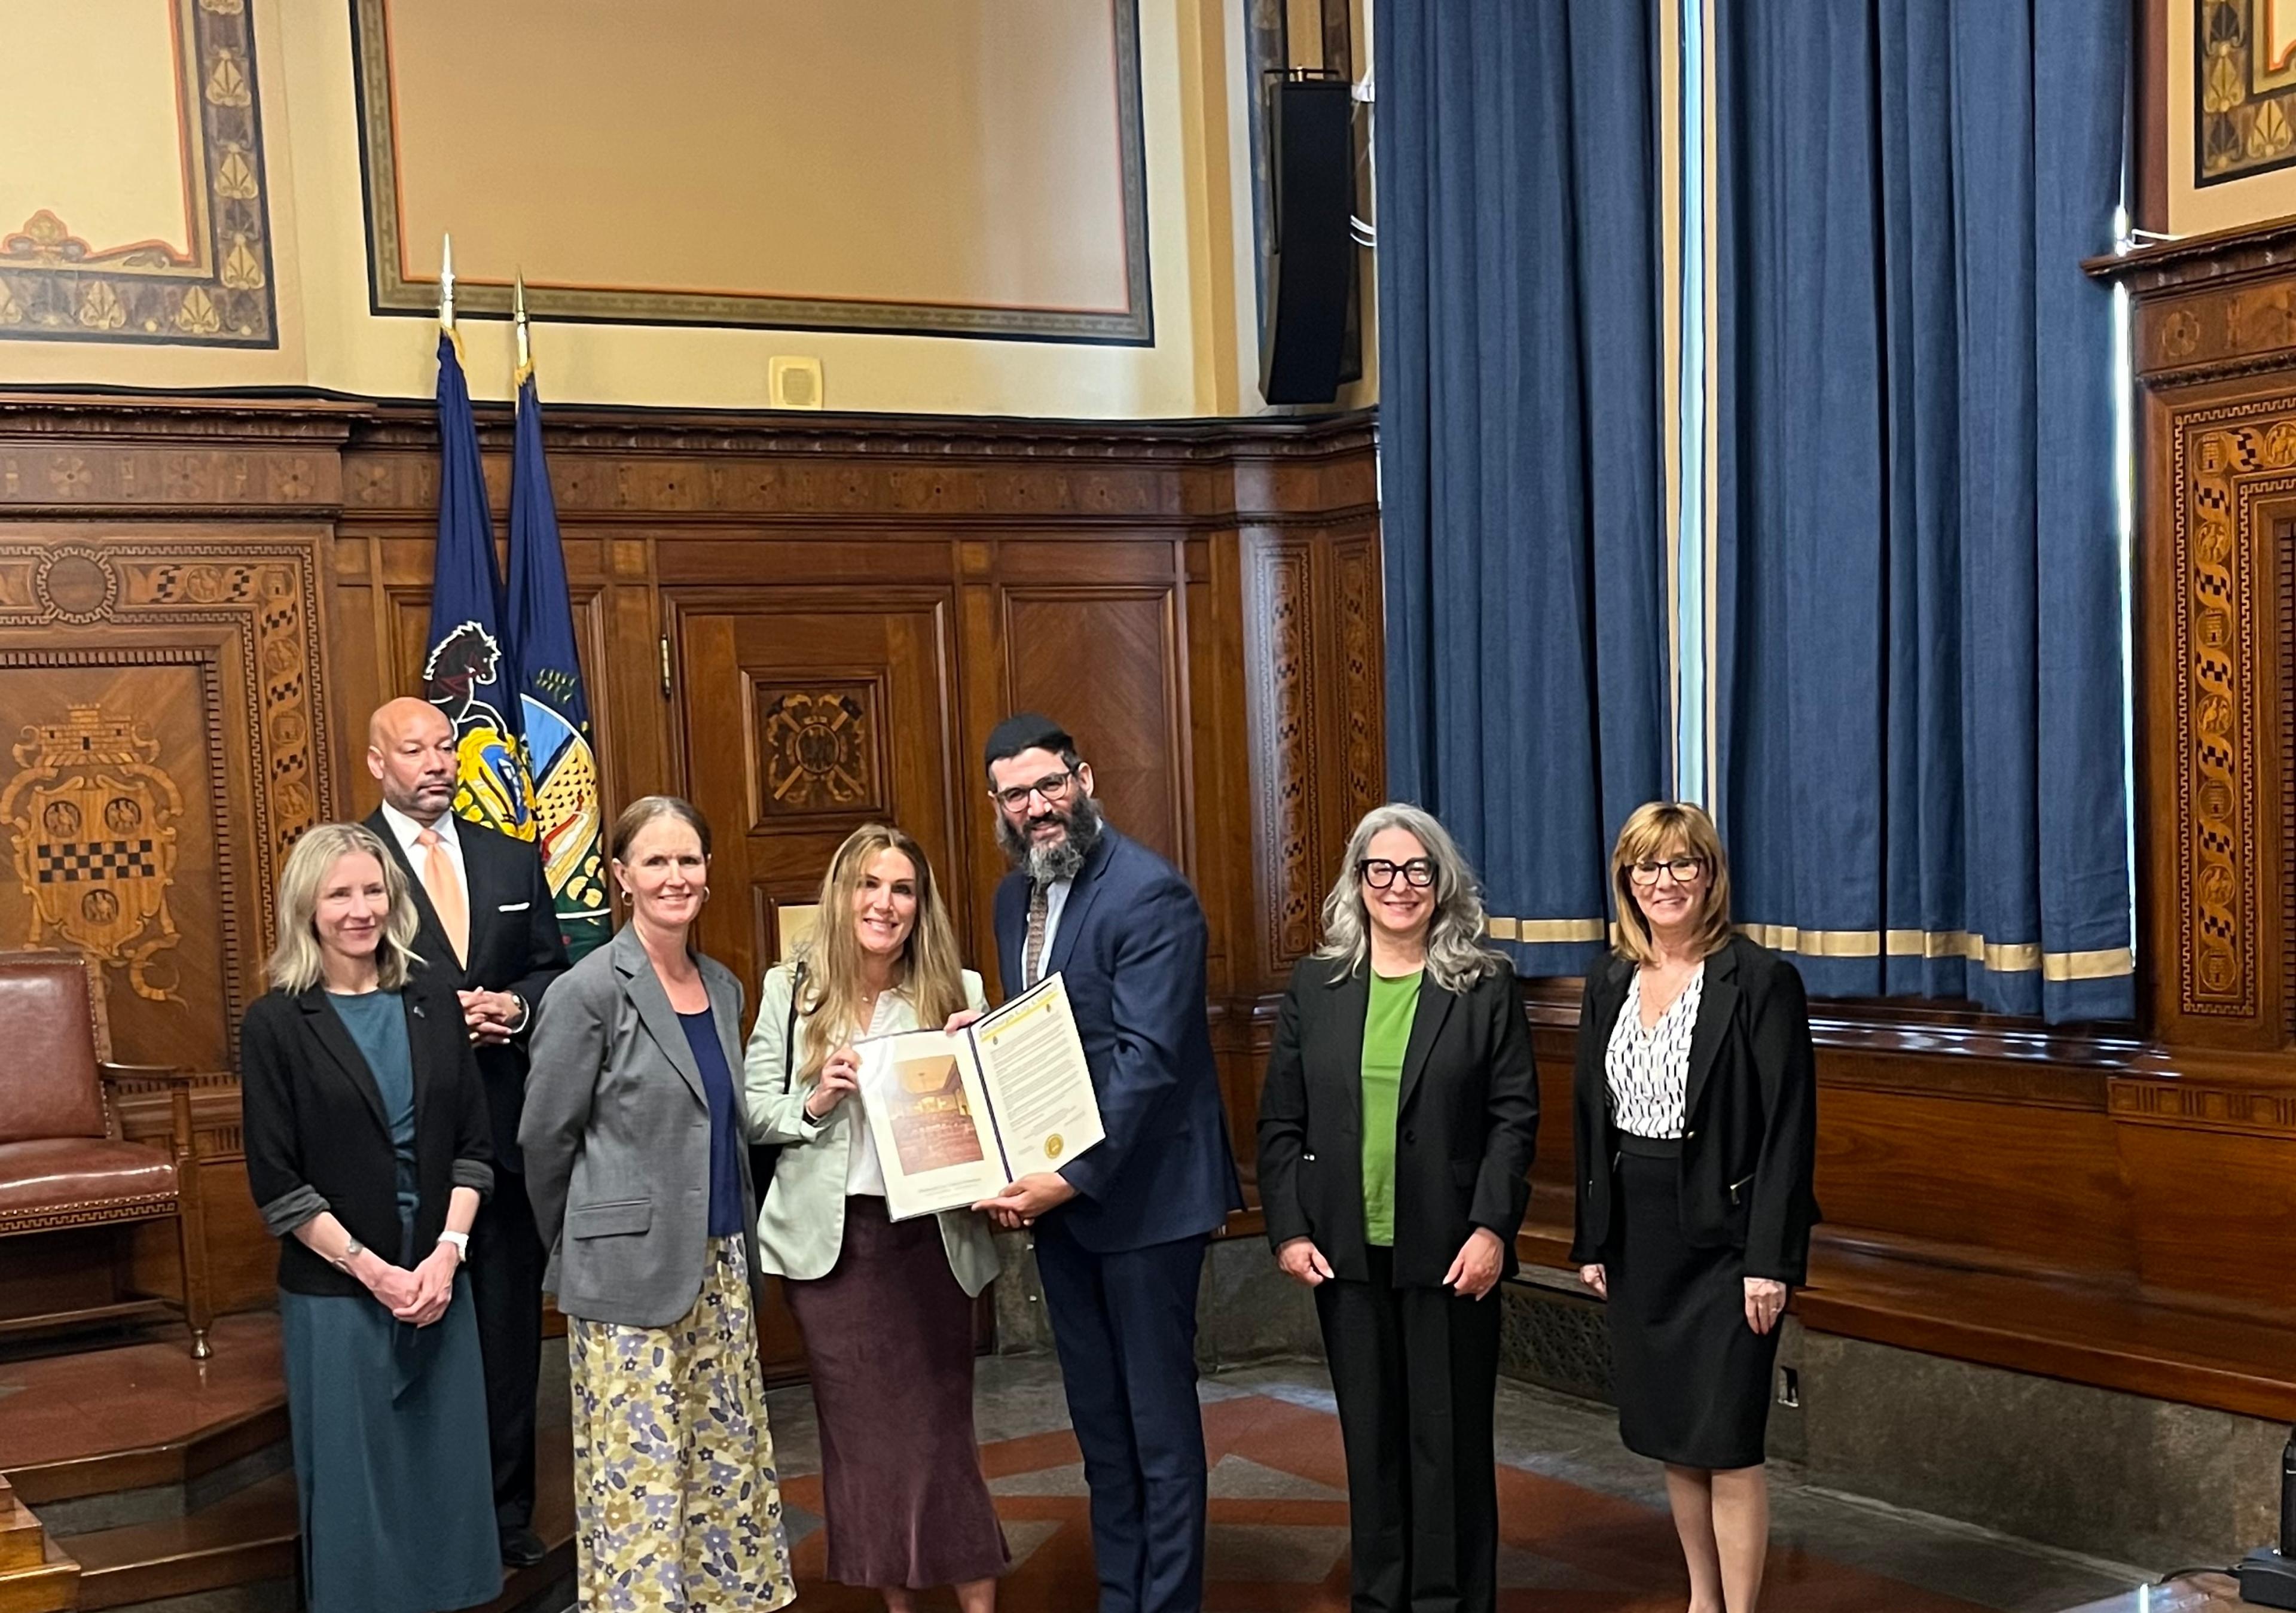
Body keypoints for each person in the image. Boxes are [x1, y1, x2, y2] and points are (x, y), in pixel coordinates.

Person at [960, 713, 1244, 1613]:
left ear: (1083, 778)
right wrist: (981, 1047)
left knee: (1158, 1431)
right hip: (1067, 1205)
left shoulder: (1151, 893)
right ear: (997, 806)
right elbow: (1044, 1037)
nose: (1038, 806)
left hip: (1147, 1202)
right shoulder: (1016, 899)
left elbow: (1146, 1060)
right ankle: (1123, 1596)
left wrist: (1069, 1176)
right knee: (1101, 1429)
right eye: (1017, 794)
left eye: (1051, 784)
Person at [1257, 803, 1540, 1613]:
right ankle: (1380, 1600)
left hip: (1452, 1249)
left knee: (1445, 1442)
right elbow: (1281, 1119)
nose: (1400, 885)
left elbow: (1513, 1120)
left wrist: (1492, 1228)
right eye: (1381, 869)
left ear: (1442, 883)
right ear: (1358, 881)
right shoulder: (1318, 983)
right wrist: (1288, 1228)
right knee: (1371, 1439)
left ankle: (1449, 1603)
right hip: (1345, 1251)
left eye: (1418, 869)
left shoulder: (1484, 984)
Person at [521, 797, 795, 1613]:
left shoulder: (722, 986)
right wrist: (580, 1243)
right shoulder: (588, 990)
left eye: (689, 860)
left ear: (707, 875)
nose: (676, 876)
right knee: (640, 1485)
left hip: (718, 1263)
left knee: (721, 1468)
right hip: (625, 1279)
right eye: (657, 861)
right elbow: (543, 1140)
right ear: (621, 877)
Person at [743, 823, 1008, 1613]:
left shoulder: (956, 990)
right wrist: (817, 1099)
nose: (884, 902)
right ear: (842, 893)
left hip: (930, 1244)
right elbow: (756, 1111)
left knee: (938, 1438)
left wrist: (977, 1061)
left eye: (901, 888)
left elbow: (998, 1122)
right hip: (834, 1256)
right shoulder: (790, 990)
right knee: (863, 1448)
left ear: (918, 905)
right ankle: (897, 1606)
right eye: (869, 884)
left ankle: (978, 1603)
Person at [239, 822, 502, 1613]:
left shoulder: (431, 1004)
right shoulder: (276, 1023)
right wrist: (375, 1271)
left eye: (373, 890)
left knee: (444, 1488)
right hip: (339, 1299)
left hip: (438, 1284)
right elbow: (279, 1184)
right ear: (307, 909)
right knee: (359, 1502)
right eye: (340, 893)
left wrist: (446, 1257)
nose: (361, 909)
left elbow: (473, 1147)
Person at [1571, 802, 1819, 1613]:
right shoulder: (1610, 978)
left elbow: (1789, 1129)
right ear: (1626, 880)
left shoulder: (1760, 980)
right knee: (1674, 1436)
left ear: (1710, 875)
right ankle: (1701, 1600)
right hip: (1641, 1238)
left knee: (1728, 1440)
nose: (1664, 881)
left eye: (1683, 864)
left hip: (1726, 1240)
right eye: (1647, 866)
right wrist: (1594, 1237)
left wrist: (1769, 1262)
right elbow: (1589, 1116)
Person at [362, 696, 567, 1568]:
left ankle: (505, 1510)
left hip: (510, 1130)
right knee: (418, 1329)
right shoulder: (351, 863)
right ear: (378, 762)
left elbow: (553, 966)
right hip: (405, 1140)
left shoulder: (512, 855)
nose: (438, 763)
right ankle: (422, 1513)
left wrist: (516, 1006)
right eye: (416, 750)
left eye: (446, 746)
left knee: (511, 1331)